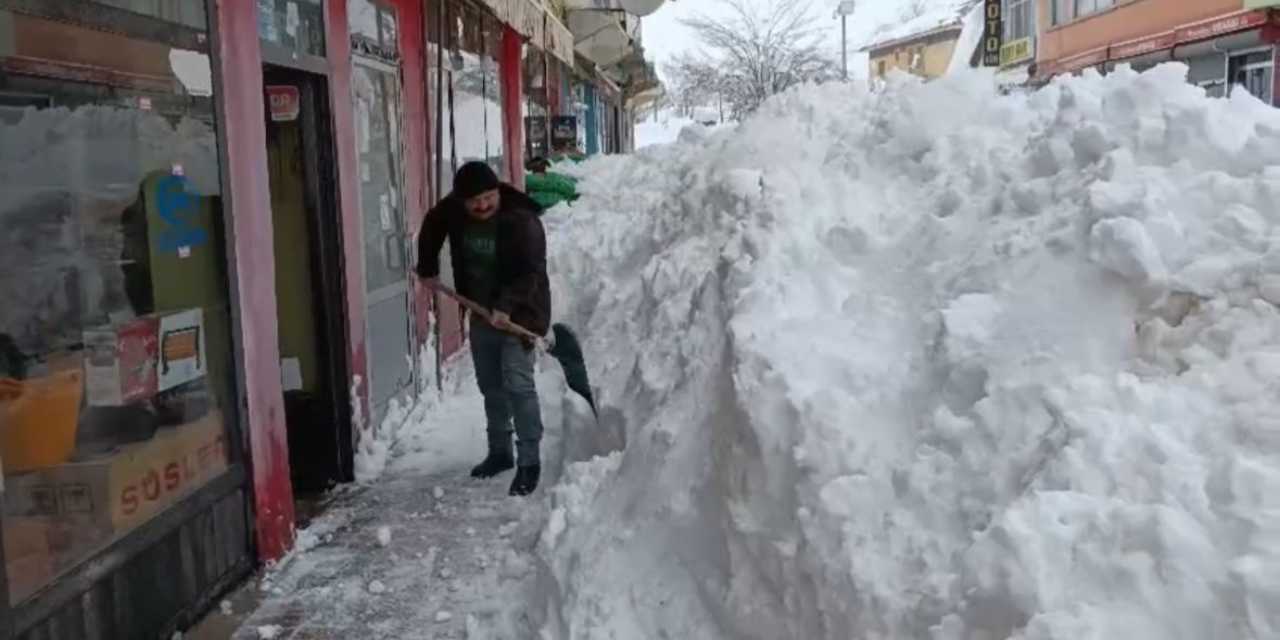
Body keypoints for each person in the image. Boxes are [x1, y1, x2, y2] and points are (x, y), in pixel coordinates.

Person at [415, 161, 550, 496]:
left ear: (498, 192)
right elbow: (432, 224)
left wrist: (505, 308)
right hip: (479, 312)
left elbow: (530, 273)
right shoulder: (456, 211)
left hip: (521, 315)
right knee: (491, 385)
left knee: (518, 385)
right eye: (474, 200)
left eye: (489, 197)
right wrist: (428, 267)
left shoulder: (522, 221)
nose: (482, 205)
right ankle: (500, 453)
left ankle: (529, 460)